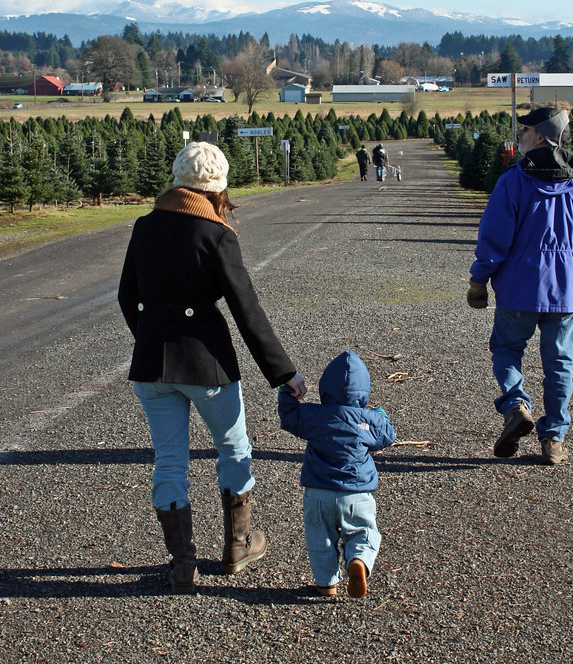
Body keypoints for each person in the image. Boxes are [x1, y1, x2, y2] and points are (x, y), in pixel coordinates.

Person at [118, 141, 307, 593]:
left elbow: (127, 297)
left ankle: (182, 565)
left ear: (177, 178)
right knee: (233, 449)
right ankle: (237, 547)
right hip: (207, 365)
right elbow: (246, 310)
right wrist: (284, 372)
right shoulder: (217, 235)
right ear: (217, 186)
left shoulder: (145, 226)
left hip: (152, 365)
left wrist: (150, 337)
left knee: (169, 461)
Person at [467, 107, 573, 466]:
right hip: (564, 291)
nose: (520, 134)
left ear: (541, 136)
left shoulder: (513, 180)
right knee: (559, 363)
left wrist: (479, 280)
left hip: (518, 289)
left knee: (506, 349)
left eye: (526, 129)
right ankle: (554, 438)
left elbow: (494, 238)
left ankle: (516, 405)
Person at [278, 350, 395, 598]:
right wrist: (380, 415)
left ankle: (326, 583)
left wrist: (286, 392)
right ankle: (359, 560)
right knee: (363, 531)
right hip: (357, 492)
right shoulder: (368, 419)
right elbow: (387, 435)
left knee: (320, 538)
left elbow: (289, 417)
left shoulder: (314, 415)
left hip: (318, 492)